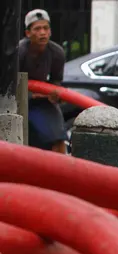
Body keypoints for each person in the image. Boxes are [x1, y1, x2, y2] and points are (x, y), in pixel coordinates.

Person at [18, 9, 69, 153]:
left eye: (46, 28)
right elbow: (7, 84)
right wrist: (31, 95)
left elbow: (57, 80)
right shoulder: (19, 52)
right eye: (37, 29)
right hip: (16, 99)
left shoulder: (56, 53)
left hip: (42, 100)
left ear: (50, 32)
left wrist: (54, 94)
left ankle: (59, 171)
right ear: (28, 33)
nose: (42, 33)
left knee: (58, 139)